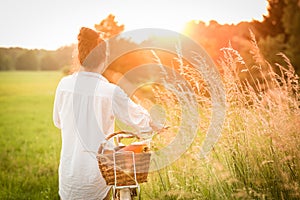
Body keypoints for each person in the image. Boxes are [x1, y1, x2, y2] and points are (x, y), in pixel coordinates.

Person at [53, 27, 161, 200]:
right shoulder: (109, 91)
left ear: (80, 57)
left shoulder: (63, 85)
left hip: (69, 179)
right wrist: (158, 126)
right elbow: (139, 119)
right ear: (104, 59)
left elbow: (58, 122)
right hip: (98, 178)